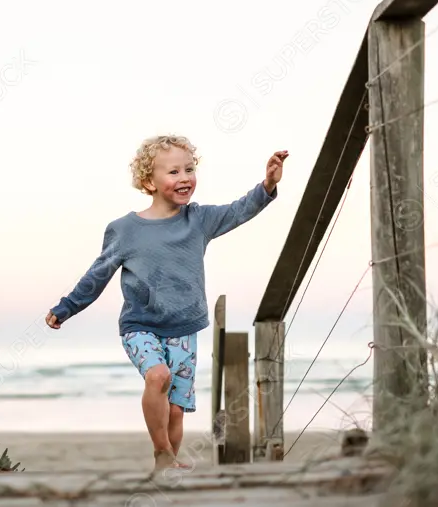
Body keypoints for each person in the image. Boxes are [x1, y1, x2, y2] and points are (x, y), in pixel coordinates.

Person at [44, 135, 287, 473]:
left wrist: (268, 184)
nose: (184, 177)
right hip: (140, 326)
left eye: (189, 169)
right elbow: (96, 276)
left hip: (185, 327)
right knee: (158, 376)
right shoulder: (124, 230)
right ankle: (161, 452)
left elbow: (239, 210)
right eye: (173, 172)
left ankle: (166, 466)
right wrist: (67, 307)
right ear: (149, 182)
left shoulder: (198, 220)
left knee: (176, 409)